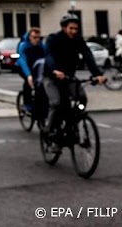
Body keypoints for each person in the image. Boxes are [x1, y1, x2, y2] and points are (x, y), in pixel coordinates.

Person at [43, 14, 106, 150]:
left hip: (69, 77)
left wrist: (97, 74)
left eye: (76, 29)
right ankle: (50, 130)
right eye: (71, 28)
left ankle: (72, 123)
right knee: (57, 103)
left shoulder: (78, 40)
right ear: (64, 28)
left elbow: (88, 55)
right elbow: (49, 55)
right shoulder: (53, 39)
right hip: (52, 77)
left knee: (81, 98)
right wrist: (55, 70)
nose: (74, 31)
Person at [17, 28, 46, 110]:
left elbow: (47, 56)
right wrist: (28, 75)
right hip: (22, 66)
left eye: (38, 38)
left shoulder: (41, 46)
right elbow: (22, 60)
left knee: (41, 83)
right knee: (28, 82)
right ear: (29, 37)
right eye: (34, 37)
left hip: (35, 66)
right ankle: (27, 103)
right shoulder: (24, 46)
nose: (37, 40)